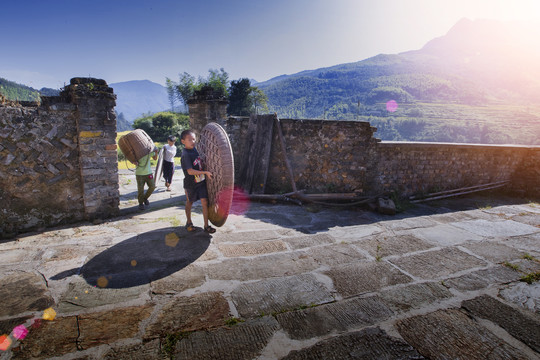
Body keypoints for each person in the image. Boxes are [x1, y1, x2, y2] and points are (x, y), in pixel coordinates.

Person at [180, 129, 216, 234]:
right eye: (190, 140)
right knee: (189, 202)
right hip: (190, 184)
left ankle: (206, 225)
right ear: (183, 141)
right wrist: (205, 172)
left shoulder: (195, 150)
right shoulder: (185, 154)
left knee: (205, 202)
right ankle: (189, 222)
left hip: (200, 183)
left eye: (194, 139)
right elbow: (190, 171)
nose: (193, 141)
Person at [135, 145, 158, 210]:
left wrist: (156, 152)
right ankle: (141, 203)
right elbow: (131, 158)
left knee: (152, 186)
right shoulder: (136, 152)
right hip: (139, 174)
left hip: (148, 173)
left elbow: (155, 158)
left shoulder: (147, 152)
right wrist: (134, 162)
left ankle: (145, 198)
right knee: (140, 190)